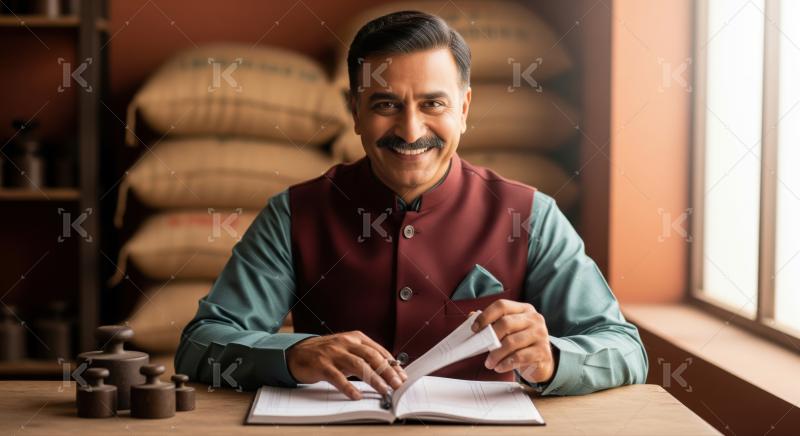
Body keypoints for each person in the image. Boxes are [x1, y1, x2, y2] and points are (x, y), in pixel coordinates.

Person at [176, 10, 648, 400]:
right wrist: (293, 355)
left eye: (432, 105)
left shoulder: (530, 214)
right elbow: (200, 343)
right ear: (354, 110)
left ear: (463, 109)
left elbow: (625, 350)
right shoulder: (294, 214)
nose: (410, 130)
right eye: (385, 105)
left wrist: (554, 358)